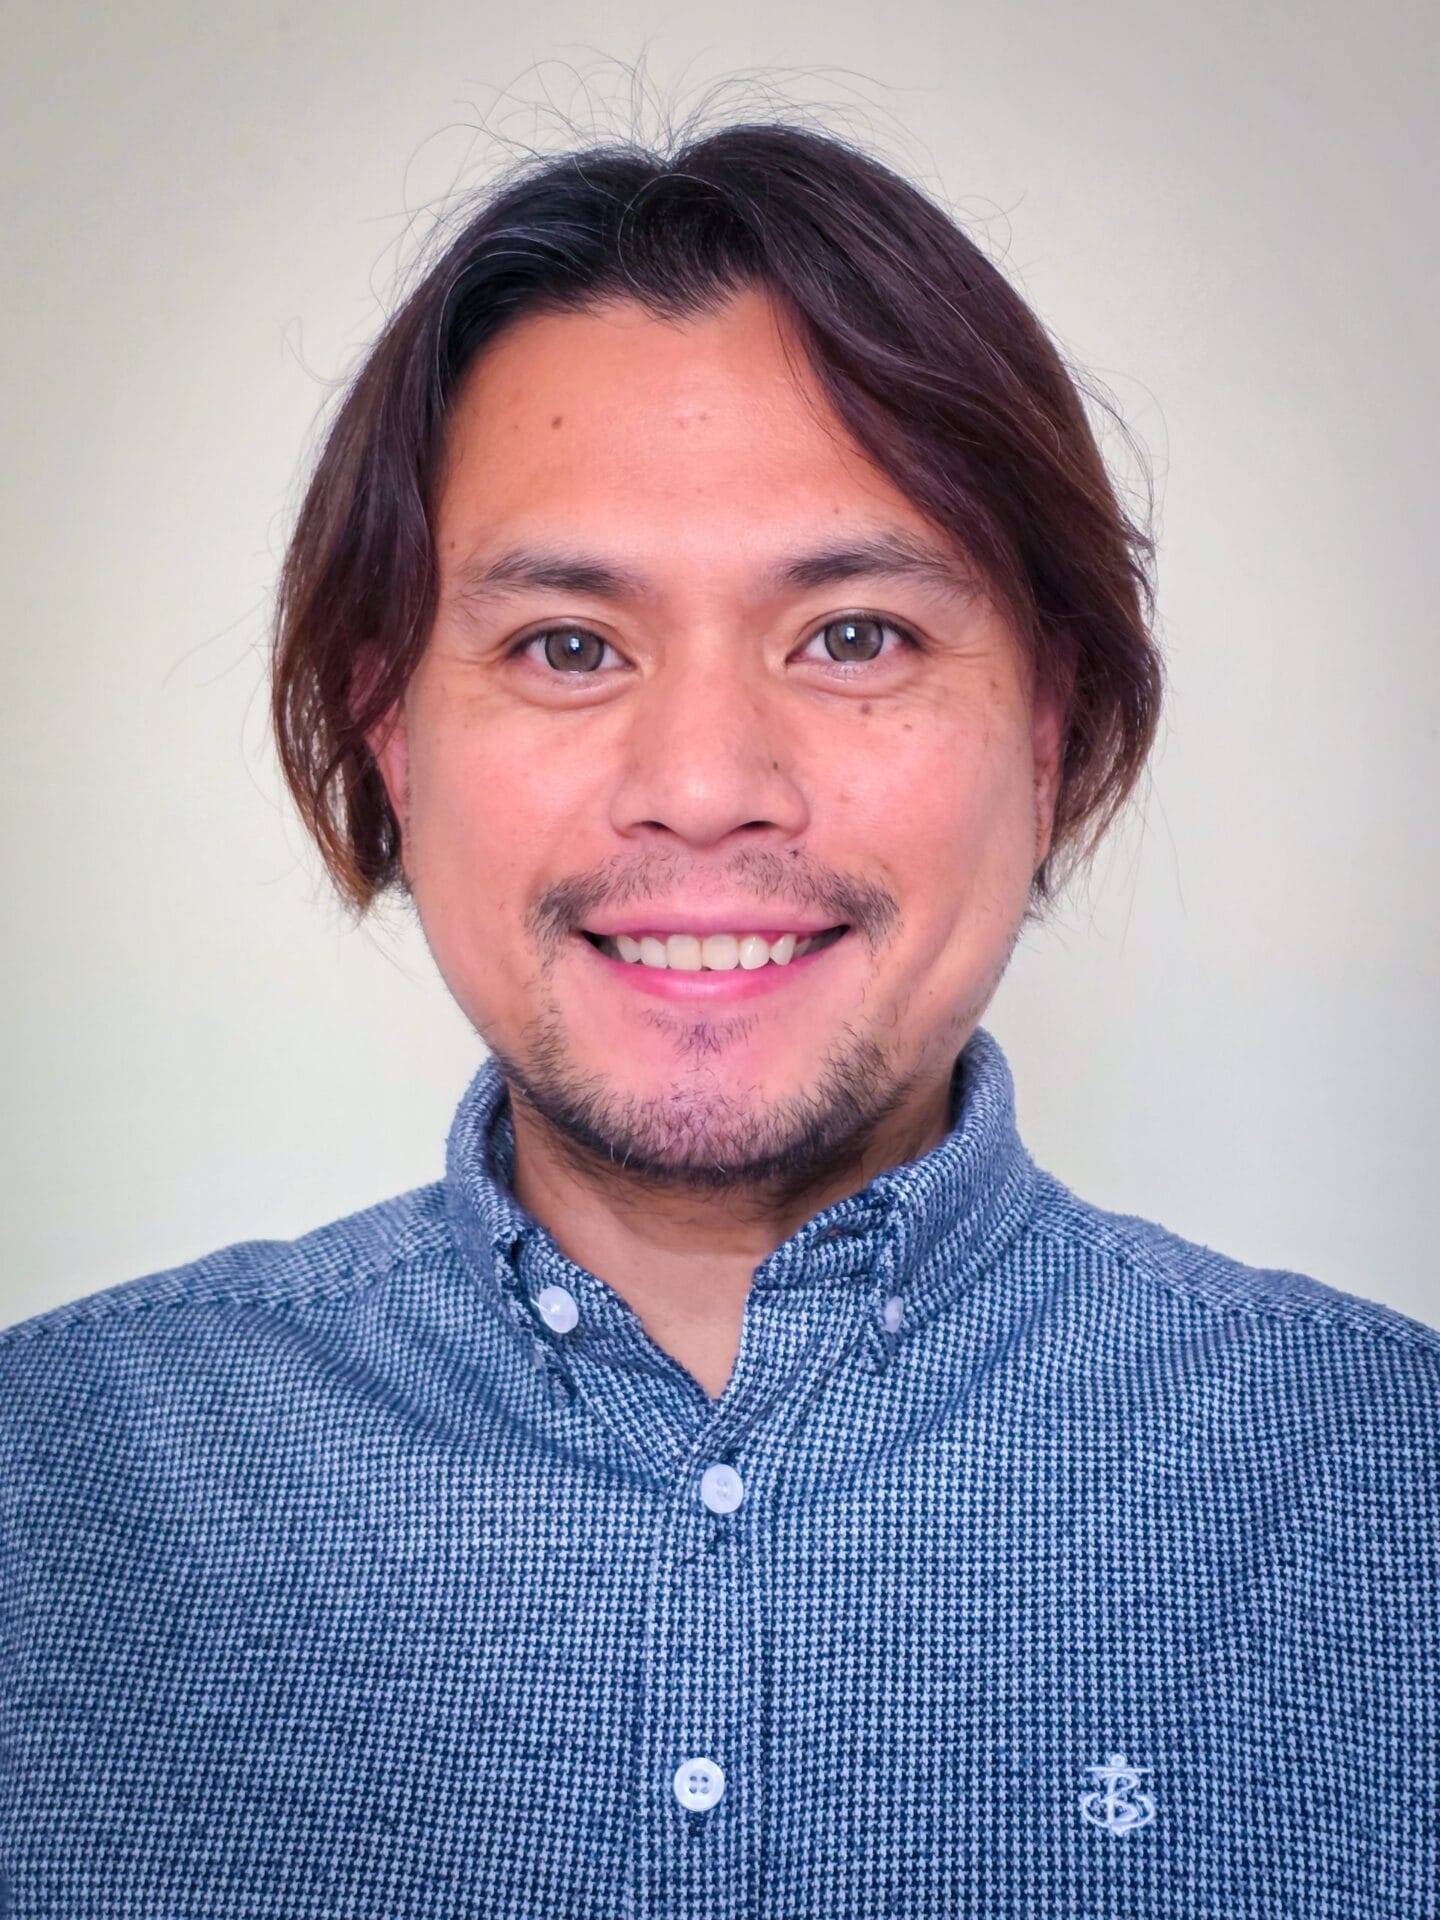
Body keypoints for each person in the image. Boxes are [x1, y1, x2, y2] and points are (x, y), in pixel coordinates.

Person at [2, 115, 1435, 1919]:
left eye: (854, 635)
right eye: (568, 646)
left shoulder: (1390, 1487)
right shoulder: (48, 1491)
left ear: (1050, 729)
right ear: (391, 735)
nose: (701, 785)